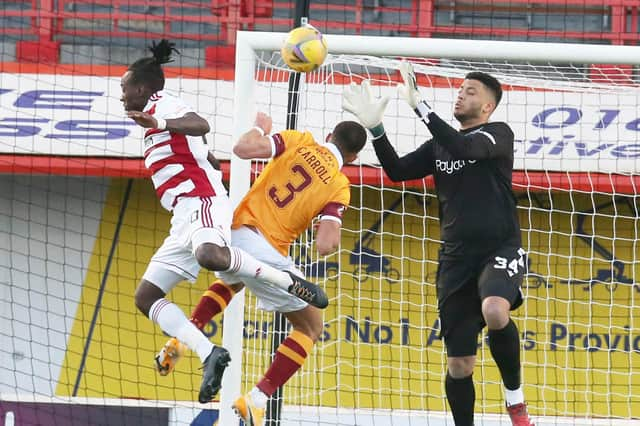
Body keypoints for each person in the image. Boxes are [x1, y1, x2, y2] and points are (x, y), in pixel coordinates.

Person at [121, 39, 328, 404]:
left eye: (125, 89)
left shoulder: (160, 105)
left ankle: (286, 280)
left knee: (212, 257)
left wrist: (158, 120)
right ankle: (208, 353)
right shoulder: (153, 126)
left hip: (201, 202)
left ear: (142, 88)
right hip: (181, 218)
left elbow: (200, 124)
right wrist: (209, 161)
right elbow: (203, 151)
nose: (122, 97)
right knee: (146, 296)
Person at [342, 64, 533, 426]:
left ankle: (515, 401)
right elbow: (397, 171)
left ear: (488, 107)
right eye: (460, 89)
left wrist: (421, 107)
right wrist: (377, 130)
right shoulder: (438, 147)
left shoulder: (497, 134)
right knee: (460, 366)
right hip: (455, 260)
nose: (461, 94)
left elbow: (466, 147)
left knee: (495, 310)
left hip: (500, 249)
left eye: (471, 91)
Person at [155, 111, 367, 426]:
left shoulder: (300, 140)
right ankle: (257, 399)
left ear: (328, 136)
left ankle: (182, 339)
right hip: (267, 250)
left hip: (236, 230)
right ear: (353, 156)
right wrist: (326, 230)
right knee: (310, 327)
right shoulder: (339, 185)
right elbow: (324, 243)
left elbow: (243, 149)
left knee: (233, 281)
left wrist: (260, 127)